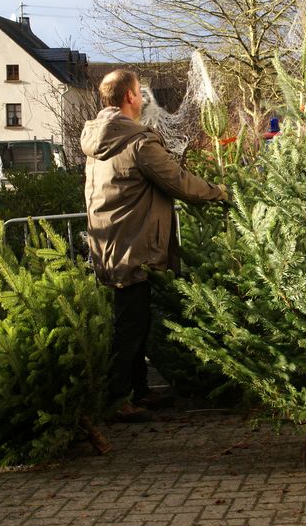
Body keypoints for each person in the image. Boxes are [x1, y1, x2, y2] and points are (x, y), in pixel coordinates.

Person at [81, 69, 228, 422]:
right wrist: (218, 192)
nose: (143, 97)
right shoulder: (137, 141)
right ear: (130, 97)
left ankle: (139, 390)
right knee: (131, 325)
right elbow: (176, 181)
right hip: (133, 243)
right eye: (138, 92)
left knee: (136, 320)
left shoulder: (97, 138)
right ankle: (119, 399)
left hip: (110, 240)